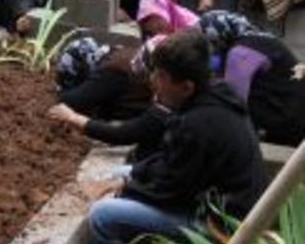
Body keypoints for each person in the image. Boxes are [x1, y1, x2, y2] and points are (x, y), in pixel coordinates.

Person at [87, 30, 268, 243]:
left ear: (186, 87)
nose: (153, 81)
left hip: (222, 225)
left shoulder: (197, 124)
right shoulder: (219, 95)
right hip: (221, 201)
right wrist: (133, 173)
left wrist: (128, 187)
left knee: (103, 215)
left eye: (161, 76)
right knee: (120, 172)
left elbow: (171, 192)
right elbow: (172, 162)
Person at [49, 36, 166, 162]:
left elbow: (125, 133)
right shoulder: (123, 56)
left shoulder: (114, 70)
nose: (149, 83)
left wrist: (73, 117)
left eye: (152, 77)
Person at [199, 11, 305, 146]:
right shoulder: (262, 38)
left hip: (289, 123)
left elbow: (233, 99)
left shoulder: (241, 52)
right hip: (295, 113)